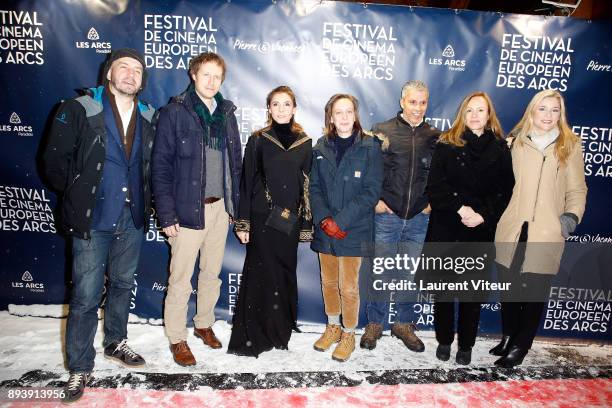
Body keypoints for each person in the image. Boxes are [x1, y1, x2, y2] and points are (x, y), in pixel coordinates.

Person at [43, 48, 155, 402]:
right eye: (123, 67)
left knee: (122, 284)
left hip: (132, 217)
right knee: (86, 296)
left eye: (137, 70)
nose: (130, 74)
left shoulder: (149, 116)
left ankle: (115, 342)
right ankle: (79, 366)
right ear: (108, 73)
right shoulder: (79, 109)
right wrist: (79, 194)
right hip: (92, 218)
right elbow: (54, 162)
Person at [152, 52, 242, 366]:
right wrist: (167, 214)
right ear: (194, 75)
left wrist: (236, 208)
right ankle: (177, 338)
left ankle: (203, 323)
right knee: (179, 279)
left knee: (211, 274)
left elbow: (236, 166)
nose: (212, 81)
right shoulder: (175, 112)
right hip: (188, 211)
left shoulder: (227, 114)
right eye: (206, 74)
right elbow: (160, 167)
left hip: (219, 211)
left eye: (217, 76)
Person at [492, 89, 587, 368]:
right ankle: (509, 336)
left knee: (533, 292)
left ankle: (522, 345)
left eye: (554, 110)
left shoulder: (570, 145)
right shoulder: (513, 143)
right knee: (509, 288)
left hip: (546, 231)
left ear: (561, 114)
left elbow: (577, 189)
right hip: (511, 227)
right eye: (542, 109)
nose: (548, 115)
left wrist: (569, 218)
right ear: (532, 111)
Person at [421, 91, 514, 365]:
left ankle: (466, 345)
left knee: (472, 293)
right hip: (448, 226)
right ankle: (445, 340)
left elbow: (505, 190)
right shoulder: (446, 144)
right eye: (470, 110)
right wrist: (461, 209)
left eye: (480, 110)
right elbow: (435, 187)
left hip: (479, 230)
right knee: (445, 292)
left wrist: (483, 215)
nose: (474, 115)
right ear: (463, 113)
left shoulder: (500, 148)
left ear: (489, 115)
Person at [228, 86, 312, 357]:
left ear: (294, 108)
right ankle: (255, 335)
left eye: (286, 104)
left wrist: (306, 223)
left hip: (290, 221)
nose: (281, 109)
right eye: (276, 104)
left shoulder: (305, 142)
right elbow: (246, 181)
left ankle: (280, 330)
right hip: (262, 218)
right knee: (260, 275)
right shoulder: (258, 140)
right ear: (269, 109)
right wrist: (244, 223)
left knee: (284, 274)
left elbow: (308, 186)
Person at [361, 80, 440, 352]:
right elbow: (369, 171)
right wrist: (376, 202)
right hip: (387, 216)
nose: (418, 108)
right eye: (413, 101)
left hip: (419, 217)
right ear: (402, 102)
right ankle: (375, 324)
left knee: (408, 273)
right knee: (380, 270)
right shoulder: (382, 131)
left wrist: (432, 203)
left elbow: (442, 176)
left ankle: (404, 324)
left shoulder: (435, 136)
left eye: (423, 102)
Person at [310, 94, 384, 362]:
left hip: (353, 228)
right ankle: (332, 327)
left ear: (355, 115)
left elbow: (371, 192)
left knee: (349, 286)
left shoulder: (370, 146)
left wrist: (339, 222)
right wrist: (325, 220)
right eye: (338, 112)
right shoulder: (319, 147)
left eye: (348, 112)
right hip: (325, 228)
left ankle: (349, 333)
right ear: (330, 117)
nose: (343, 117)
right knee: (328, 282)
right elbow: (315, 188)